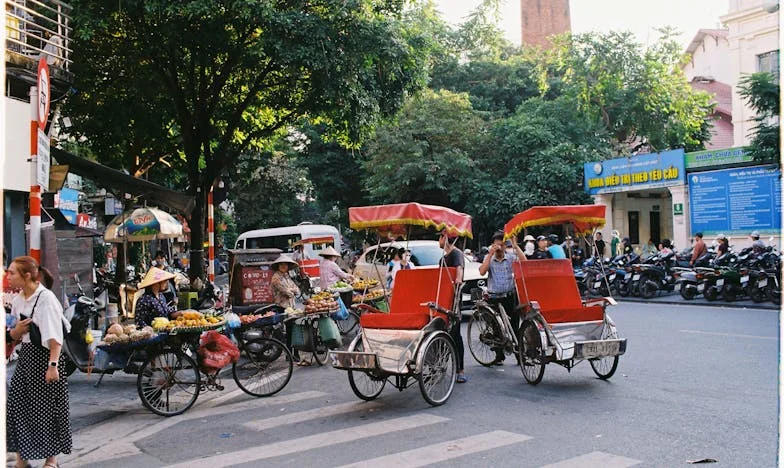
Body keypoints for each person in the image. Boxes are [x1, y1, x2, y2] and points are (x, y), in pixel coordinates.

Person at [6, 256, 72, 468]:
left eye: (12, 273)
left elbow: (55, 339)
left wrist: (53, 366)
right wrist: (16, 331)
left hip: (47, 358)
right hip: (26, 357)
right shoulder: (18, 300)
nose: (8, 276)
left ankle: (51, 460)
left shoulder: (46, 299)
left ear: (26, 276)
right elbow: (13, 334)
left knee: (47, 409)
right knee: (17, 405)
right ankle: (21, 460)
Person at [479, 232, 526, 364]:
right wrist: (490, 254)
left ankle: (519, 356)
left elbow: (524, 262)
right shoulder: (489, 258)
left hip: (509, 296)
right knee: (496, 328)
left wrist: (516, 246)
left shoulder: (510, 257)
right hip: (494, 297)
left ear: (505, 246)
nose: (499, 248)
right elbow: (482, 271)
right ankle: (499, 356)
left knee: (515, 327)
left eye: (501, 245)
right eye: (496, 245)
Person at [438, 231, 467, 383]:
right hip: (442, 299)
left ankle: (460, 370)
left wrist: (458, 280)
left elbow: (459, 269)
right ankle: (438, 365)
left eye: (440, 237)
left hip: (454, 299)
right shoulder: (442, 259)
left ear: (446, 238)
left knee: (455, 334)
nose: (438, 240)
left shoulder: (456, 254)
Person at [269, 254, 305, 365]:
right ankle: (290, 354)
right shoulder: (276, 278)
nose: (284, 266)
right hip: (282, 307)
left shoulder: (287, 276)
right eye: (282, 265)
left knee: (293, 329)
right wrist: (292, 290)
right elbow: (288, 292)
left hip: (291, 306)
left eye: (286, 265)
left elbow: (297, 290)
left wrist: (292, 290)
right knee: (289, 330)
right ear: (278, 266)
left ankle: (294, 353)